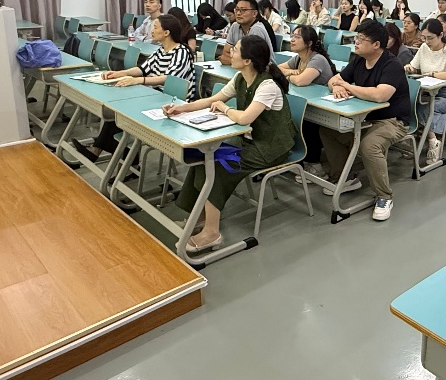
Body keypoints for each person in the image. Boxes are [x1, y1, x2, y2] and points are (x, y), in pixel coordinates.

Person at [162, 35, 297, 253]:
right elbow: (210, 100)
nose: (229, 52)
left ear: (248, 60)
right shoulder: (240, 77)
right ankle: (200, 217)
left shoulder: (268, 85)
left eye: (235, 50)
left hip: (271, 147)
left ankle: (212, 233)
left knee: (217, 167)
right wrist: (181, 108)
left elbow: (244, 119)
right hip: (249, 139)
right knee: (203, 157)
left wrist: (224, 108)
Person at [72, 14, 197, 163]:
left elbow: (169, 78)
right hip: (155, 95)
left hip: (173, 102)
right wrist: (120, 73)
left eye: (155, 27)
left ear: (166, 32)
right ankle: (109, 149)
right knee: (119, 107)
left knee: (124, 108)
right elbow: (143, 69)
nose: (152, 31)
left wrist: (138, 80)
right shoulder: (161, 50)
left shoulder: (181, 52)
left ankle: (109, 150)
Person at [319, 20, 412, 221]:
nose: (356, 42)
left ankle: (384, 196)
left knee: (369, 146)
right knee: (328, 130)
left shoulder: (392, 65)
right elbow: (334, 79)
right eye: (357, 38)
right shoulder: (359, 60)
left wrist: (348, 86)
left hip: (393, 121)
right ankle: (347, 178)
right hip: (364, 117)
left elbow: (380, 95)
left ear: (376, 44)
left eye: (361, 39)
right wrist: (337, 86)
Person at [278, 25, 337, 181]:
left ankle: (315, 166)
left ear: (309, 43)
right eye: (292, 35)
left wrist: (289, 75)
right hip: (309, 102)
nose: (292, 39)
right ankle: (297, 158)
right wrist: (291, 72)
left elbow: (301, 81)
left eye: (297, 37)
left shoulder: (317, 59)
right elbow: (277, 69)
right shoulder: (298, 58)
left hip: (325, 108)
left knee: (306, 123)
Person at [405, 19, 446, 166]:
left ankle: (432, 141)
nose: (427, 41)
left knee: (425, 109)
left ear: (441, 35)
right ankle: (431, 139)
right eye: (424, 37)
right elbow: (414, 66)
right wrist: (409, 68)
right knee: (409, 105)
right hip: (425, 93)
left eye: (430, 38)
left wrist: (432, 74)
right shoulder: (424, 47)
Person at [221, 0, 274, 64]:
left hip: (264, 69)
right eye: (236, 9)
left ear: (254, 13)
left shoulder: (257, 29)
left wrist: (231, 60)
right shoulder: (235, 26)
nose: (238, 13)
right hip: (241, 68)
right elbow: (225, 53)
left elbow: (253, 62)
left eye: (243, 10)